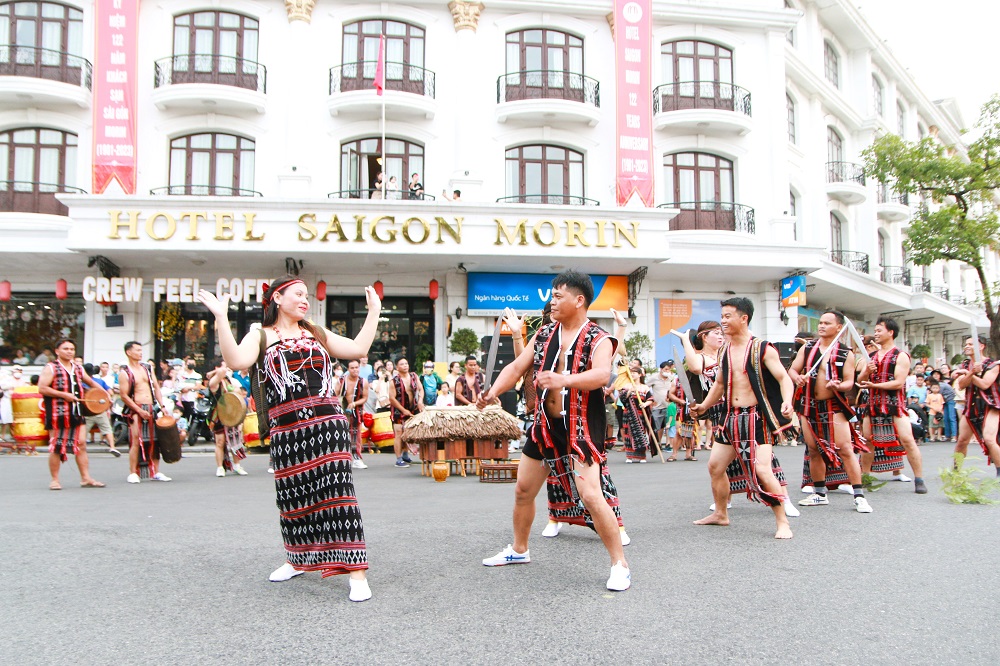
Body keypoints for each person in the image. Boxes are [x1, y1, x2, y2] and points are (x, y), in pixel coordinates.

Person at [197, 276, 381, 602]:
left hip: (327, 425)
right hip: (287, 430)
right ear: (277, 298)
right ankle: (296, 559)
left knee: (339, 495)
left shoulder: (316, 332)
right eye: (298, 294)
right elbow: (237, 361)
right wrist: (222, 319)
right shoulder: (261, 335)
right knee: (293, 501)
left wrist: (374, 311)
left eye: (307, 295)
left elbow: (358, 348)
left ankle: (357, 572)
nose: (305, 300)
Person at [477, 271, 631, 592]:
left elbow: (603, 375)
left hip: (581, 427)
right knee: (522, 491)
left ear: (579, 300)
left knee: (590, 495)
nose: (552, 301)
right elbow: (517, 367)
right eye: (552, 295)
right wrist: (492, 392)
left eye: (558, 296)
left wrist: (564, 380)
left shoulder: (599, 338)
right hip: (545, 426)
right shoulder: (546, 334)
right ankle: (519, 550)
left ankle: (620, 564)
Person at [690, 297, 795, 539]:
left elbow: (783, 378)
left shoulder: (762, 348)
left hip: (756, 419)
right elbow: (718, 384)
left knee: (763, 471)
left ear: (743, 318)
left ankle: (783, 522)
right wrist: (704, 406)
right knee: (715, 466)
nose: (723, 321)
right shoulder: (725, 349)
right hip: (730, 417)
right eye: (722, 316)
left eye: (728, 316)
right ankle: (721, 513)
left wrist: (787, 400)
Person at [787, 310, 872, 513]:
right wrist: (796, 377)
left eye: (827, 323)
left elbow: (850, 382)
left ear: (838, 327)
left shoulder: (845, 352)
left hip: (833, 406)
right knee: (813, 449)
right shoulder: (808, 349)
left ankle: (859, 495)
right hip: (809, 405)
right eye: (821, 322)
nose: (822, 326)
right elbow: (791, 369)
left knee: (845, 449)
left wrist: (839, 386)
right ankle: (819, 493)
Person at [857, 317, 927, 494]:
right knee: (868, 441)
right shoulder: (871, 356)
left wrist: (874, 385)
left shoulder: (900, 355)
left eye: (880, 330)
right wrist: (866, 371)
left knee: (907, 440)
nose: (876, 333)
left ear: (891, 332)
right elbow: (860, 380)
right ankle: (864, 477)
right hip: (872, 404)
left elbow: (898, 383)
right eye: (876, 330)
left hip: (895, 404)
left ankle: (919, 479)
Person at [37, 339, 107, 490]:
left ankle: (86, 478)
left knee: (81, 444)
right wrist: (64, 395)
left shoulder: (78, 368)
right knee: (56, 446)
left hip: (76, 411)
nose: (69, 351)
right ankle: (55, 480)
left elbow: (91, 382)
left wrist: (104, 395)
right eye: (66, 348)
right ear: (57, 351)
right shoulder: (51, 367)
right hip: (58, 413)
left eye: (72, 349)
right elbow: (42, 388)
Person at [119, 341, 170, 483]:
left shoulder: (147, 368)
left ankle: (156, 471)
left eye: (141, 350)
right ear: (129, 352)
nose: (140, 353)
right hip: (136, 407)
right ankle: (133, 472)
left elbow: (156, 387)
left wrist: (163, 405)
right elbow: (124, 395)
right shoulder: (125, 372)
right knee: (136, 439)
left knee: (155, 441)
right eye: (137, 350)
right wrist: (139, 410)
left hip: (151, 406)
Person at [951, 337, 1000, 473]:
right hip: (972, 405)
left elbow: (985, 384)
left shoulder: (993, 365)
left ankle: (999, 471)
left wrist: (968, 373)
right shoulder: (966, 365)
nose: (967, 346)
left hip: (991, 406)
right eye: (966, 344)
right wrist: (971, 372)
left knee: (990, 439)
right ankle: (956, 471)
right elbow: (961, 385)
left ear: (981, 346)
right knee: (962, 441)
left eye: (971, 344)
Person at [207, 359, 248, 478]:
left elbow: (238, 392)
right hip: (219, 415)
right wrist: (214, 372)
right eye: (224, 366)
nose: (227, 368)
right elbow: (222, 371)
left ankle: (237, 465)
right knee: (220, 442)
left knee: (235, 441)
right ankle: (220, 467)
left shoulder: (230, 380)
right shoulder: (214, 382)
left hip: (232, 414)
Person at [388, 357, 423, 467]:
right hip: (398, 409)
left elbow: (421, 389)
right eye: (402, 364)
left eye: (406, 363)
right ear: (397, 367)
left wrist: (420, 401)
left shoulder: (414, 376)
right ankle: (398, 459)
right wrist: (403, 410)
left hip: (412, 407)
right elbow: (392, 398)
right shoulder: (394, 381)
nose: (405, 366)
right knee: (399, 433)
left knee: (408, 432)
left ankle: (405, 454)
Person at [82, 363, 120, 457]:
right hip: (100, 410)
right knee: (107, 429)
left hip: (87, 411)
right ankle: (112, 447)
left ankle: (80, 448)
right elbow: (110, 392)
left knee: (83, 432)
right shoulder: (100, 381)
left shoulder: (81, 382)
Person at [338, 359, 369, 469]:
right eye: (352, 368)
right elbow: (335, 395)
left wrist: (354, 403)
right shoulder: (342, 380)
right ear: (348, 369)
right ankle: (342, 458)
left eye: (357, 367)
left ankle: (356, 458)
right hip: (342, 410)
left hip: (356, 411)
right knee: (341, 435)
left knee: (356, 435)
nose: (355, 370)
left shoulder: (363, 381)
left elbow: (365, 398)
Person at [620, 368, 655, 463]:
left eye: (634, 373)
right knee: (628, 435)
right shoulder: (626, 386)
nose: (632, 374)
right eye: (631, 373)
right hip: (629, 414)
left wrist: (645, 404)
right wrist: (630, 391)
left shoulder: (645, 387)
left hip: (640, 415)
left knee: (641, 434)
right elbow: (622, 398)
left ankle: (641, 456)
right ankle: (629, 456)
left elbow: (651, 399)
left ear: (640, 374)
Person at [644, 361, 672, 447]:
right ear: (661, 369)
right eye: (665, 369)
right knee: (657, 426)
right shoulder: (654, 378)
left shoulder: (671, 378)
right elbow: (645, 388)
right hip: (657, 406)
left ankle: (666, 443)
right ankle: (656, 443)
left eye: (669, 369)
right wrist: (650, 400)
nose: (667, 371)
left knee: (668, 426)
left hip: (669, 406)